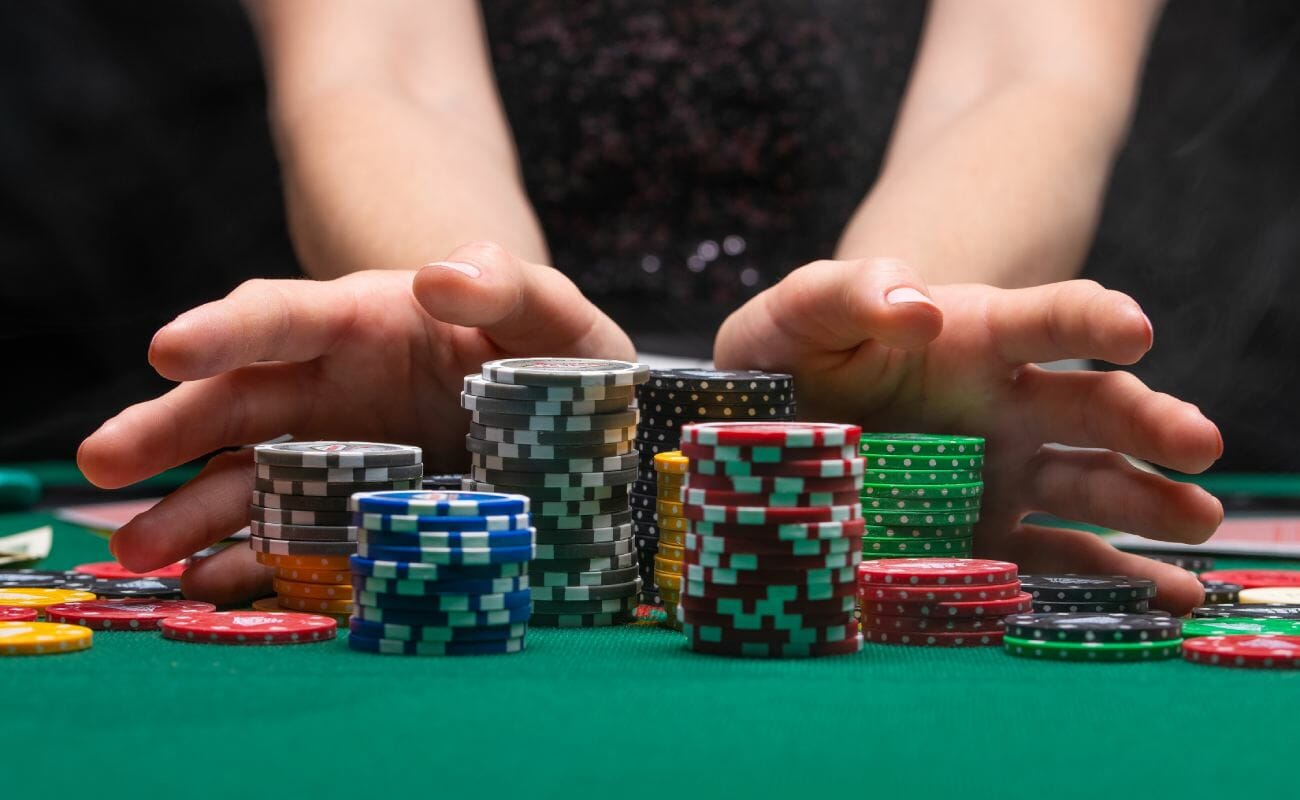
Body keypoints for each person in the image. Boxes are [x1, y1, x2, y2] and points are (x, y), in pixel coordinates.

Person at [76, 0, 1225, 612]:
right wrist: (484, 349)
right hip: (448, 372)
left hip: (887, 374)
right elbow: (379, 66)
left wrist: (884, 322)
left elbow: (1026, 70)